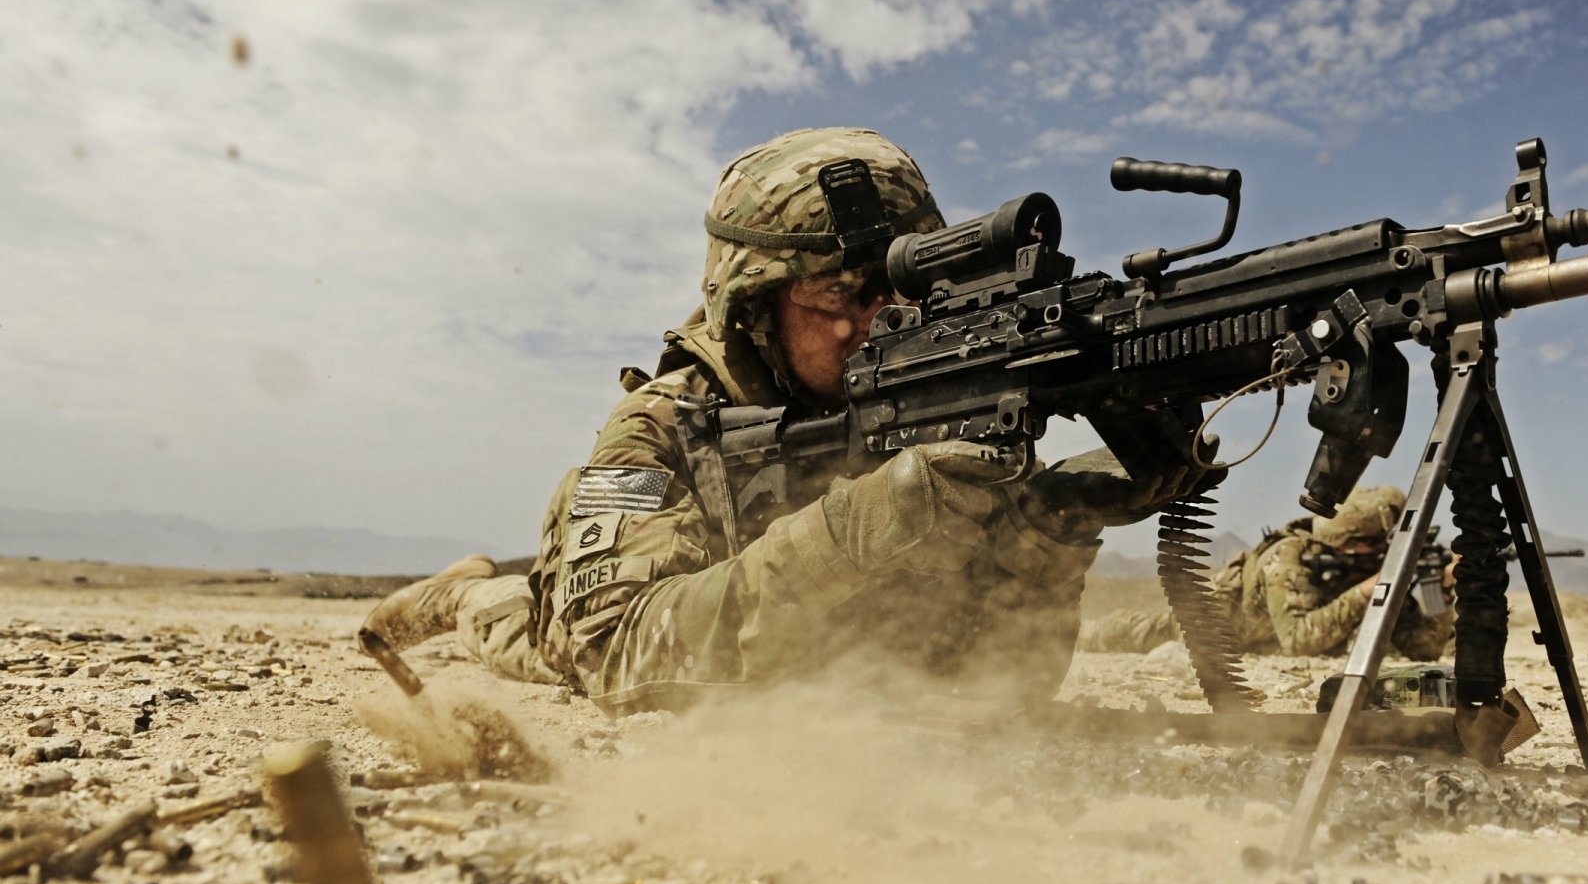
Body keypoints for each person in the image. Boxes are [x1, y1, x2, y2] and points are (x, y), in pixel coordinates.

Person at [360, 127, 1205, 716]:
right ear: (752, 304)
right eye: (838, 294)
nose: (876, 321)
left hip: (815, 661)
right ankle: (463, 586)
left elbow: (998, 682)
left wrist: (1050, 530)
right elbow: (613, 659)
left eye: (900, 291)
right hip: (576, 618)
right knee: (511, 625)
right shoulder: (661, 426)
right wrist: (863, 521)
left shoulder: (933, 390)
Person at [1078, 486, 1455, 660]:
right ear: (1355, 542)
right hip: (1221, 625)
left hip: (1262, 643)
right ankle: (1073, 632)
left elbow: (1423, 650)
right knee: (1141, 631)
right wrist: (1366, 592)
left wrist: (1444, 591)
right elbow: (1297, 641)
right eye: (1384, 548)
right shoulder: (1288, 556)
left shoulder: (1366, 566)